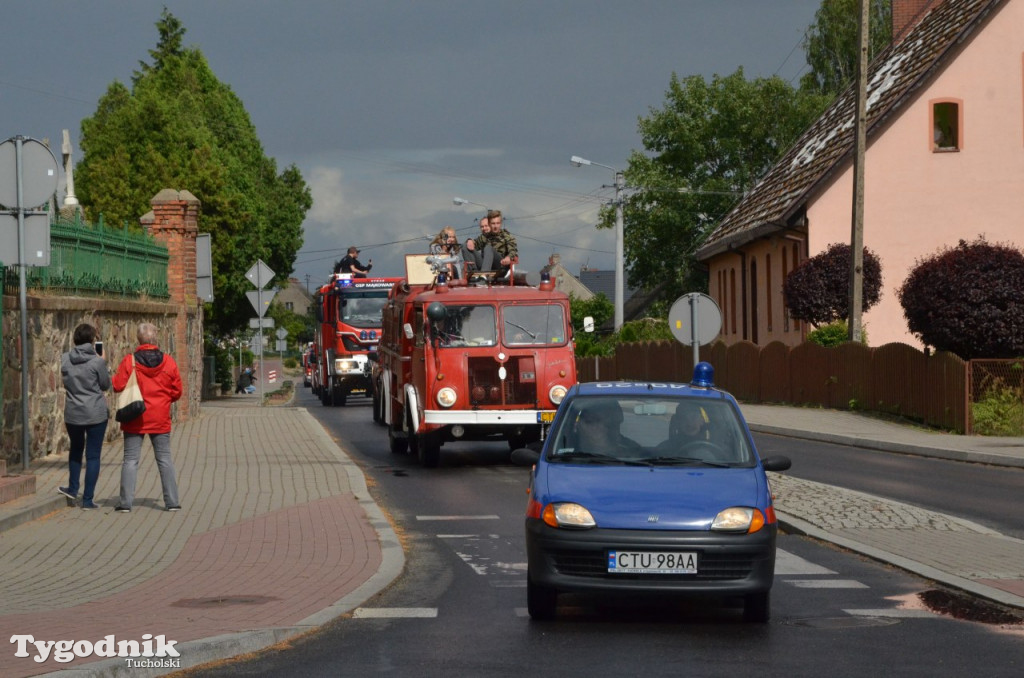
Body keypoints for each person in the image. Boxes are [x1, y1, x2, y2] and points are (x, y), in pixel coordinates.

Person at [111, 322, 183, 513]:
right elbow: (177, 391)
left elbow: (117, 385)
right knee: (165, 459)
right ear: (155, 338)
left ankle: (126, 503)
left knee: (130, 460)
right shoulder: (168, 361)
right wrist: (164, 400)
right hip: (160, 417)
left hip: (135, 417)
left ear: (139, 339)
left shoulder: (130, 361)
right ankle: (172, 502)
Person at [58, 323, 111, 510]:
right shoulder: (97, 362)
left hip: (73, 413)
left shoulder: (65, 359)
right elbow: (105, 385)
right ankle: (87, 500)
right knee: (93, 455)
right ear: (92, 341)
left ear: (74, 340)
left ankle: (72, 489)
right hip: (95, 413)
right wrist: (103, 361)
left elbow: (65, 381)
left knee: (75, 450)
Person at [573, 399, 640, 457]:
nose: (597, 427)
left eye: (602, 422)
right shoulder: (567, 451)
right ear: (577, 425)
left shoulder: (632, 451)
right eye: (590, 421)